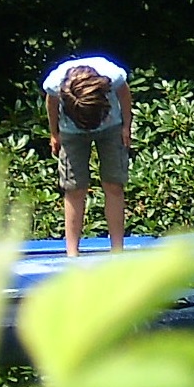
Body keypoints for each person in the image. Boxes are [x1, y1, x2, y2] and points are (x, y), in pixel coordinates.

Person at [42, 54, 134, 256]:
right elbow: (51, 104)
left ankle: (117, 250)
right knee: (74, 187)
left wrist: (127, 126)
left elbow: (125, 95)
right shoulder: (55, 84)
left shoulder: (113, 76)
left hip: (111, 128)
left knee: (114, 184)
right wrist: (54, 133)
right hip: (71, 132)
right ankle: (72, 253)